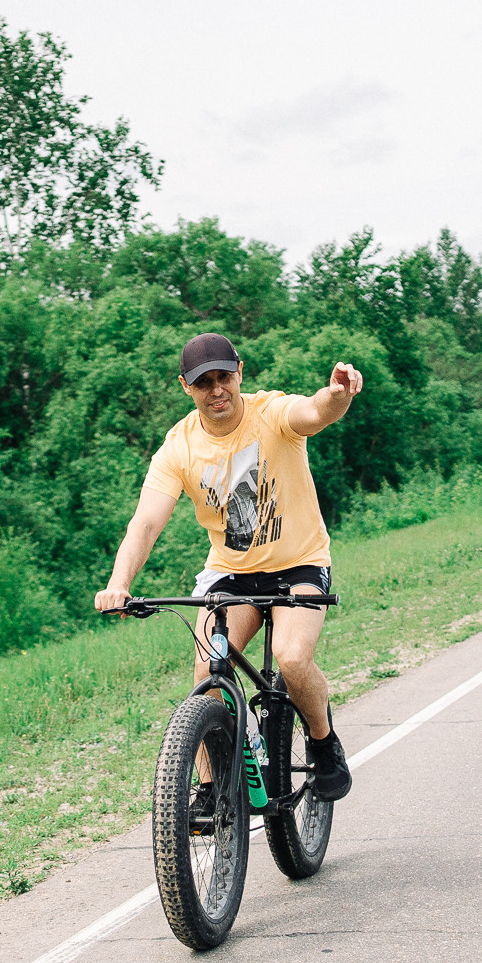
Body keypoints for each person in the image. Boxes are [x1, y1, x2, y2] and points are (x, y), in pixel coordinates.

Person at [95, 332, 358, 801]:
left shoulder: (271, 413)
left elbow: (314, 412)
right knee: (206, 670)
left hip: (299, 562)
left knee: (292, 658)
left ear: (240, 371)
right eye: (204, 383)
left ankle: (322, 741)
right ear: (186, 387)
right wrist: (119, 583)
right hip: (231, 573)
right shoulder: (178, 448)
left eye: (224, 377)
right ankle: (212, 787)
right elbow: (145, 524)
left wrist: (336, 396)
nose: (217, 389)